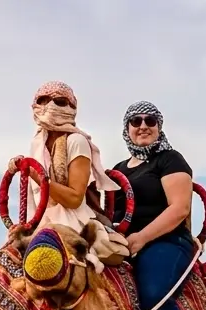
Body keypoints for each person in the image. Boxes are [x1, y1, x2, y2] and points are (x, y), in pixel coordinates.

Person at [111, 101, 196, 310]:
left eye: (151, 121)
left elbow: (180, 208)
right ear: (127, 128)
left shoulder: (169, 159)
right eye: (136, 121)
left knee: (153, 296)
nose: (144, 126)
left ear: (159, 127)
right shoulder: (118, 169)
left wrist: (141, 238)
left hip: (165, 241)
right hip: (124, 243)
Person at [16, 81, 127, 264]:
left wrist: (37, 177)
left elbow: (75, 199)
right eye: (43, 100)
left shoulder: (76, 141)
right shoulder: (37, 143)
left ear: (71, 107)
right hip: (41, 223)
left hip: (73, 224)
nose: (50, 106)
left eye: (59, 101)